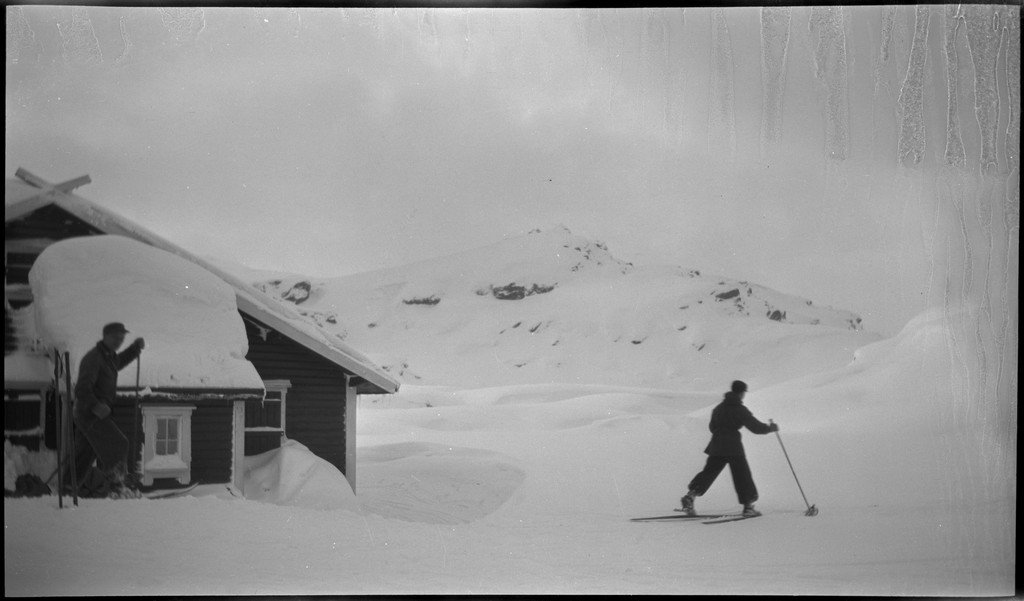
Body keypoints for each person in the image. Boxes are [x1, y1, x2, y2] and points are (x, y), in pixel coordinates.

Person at [679, 380, 778, 517]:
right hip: (733, 447)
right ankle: (748, 507)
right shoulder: (740, 409)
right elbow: (755, 427)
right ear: (742, 393)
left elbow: (712, 427)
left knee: (709, 472)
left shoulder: (718, 408)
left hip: (716, 446)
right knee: (742, 475)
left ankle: (691, 496)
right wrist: (769, 428)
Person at [72, 322, 145, 497]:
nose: (118, 341)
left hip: (93, 413)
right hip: (90, 413)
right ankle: (116, 485)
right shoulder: (94, 358)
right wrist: (95, 405)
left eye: (121, 338)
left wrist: (134, 349)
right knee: (119, 444)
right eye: (115, 337)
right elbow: (81, 388)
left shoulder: (108, 357)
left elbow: (119, 361)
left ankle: (67, 488)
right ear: (105, 336)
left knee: (84, 455)